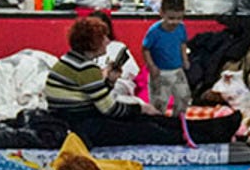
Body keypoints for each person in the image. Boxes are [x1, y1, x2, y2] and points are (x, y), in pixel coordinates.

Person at [44, 15, 185, 146]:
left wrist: (110, 82)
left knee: (149, 121)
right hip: (82, 126)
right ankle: (190, 133)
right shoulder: (86, 68)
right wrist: (141, 108)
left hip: (73, 119)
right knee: (147, 128)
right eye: (103, 37)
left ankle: (189, 129)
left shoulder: (68, 60)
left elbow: (94, 96)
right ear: (93, 43)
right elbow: (110, 109)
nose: (107, 41)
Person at [143, 0, 192, 114]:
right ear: (161, 13)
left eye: (179, 18)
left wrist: (185, 59)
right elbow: (145, 49)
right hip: (159, 73)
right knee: (159, 103)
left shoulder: (181, 27)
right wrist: (152, 66)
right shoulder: (154, 31)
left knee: (184, 98)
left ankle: (178, 122)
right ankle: (159, 125)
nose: (174, 22)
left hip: (177, 70)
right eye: (171, 18)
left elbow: (182, 43)